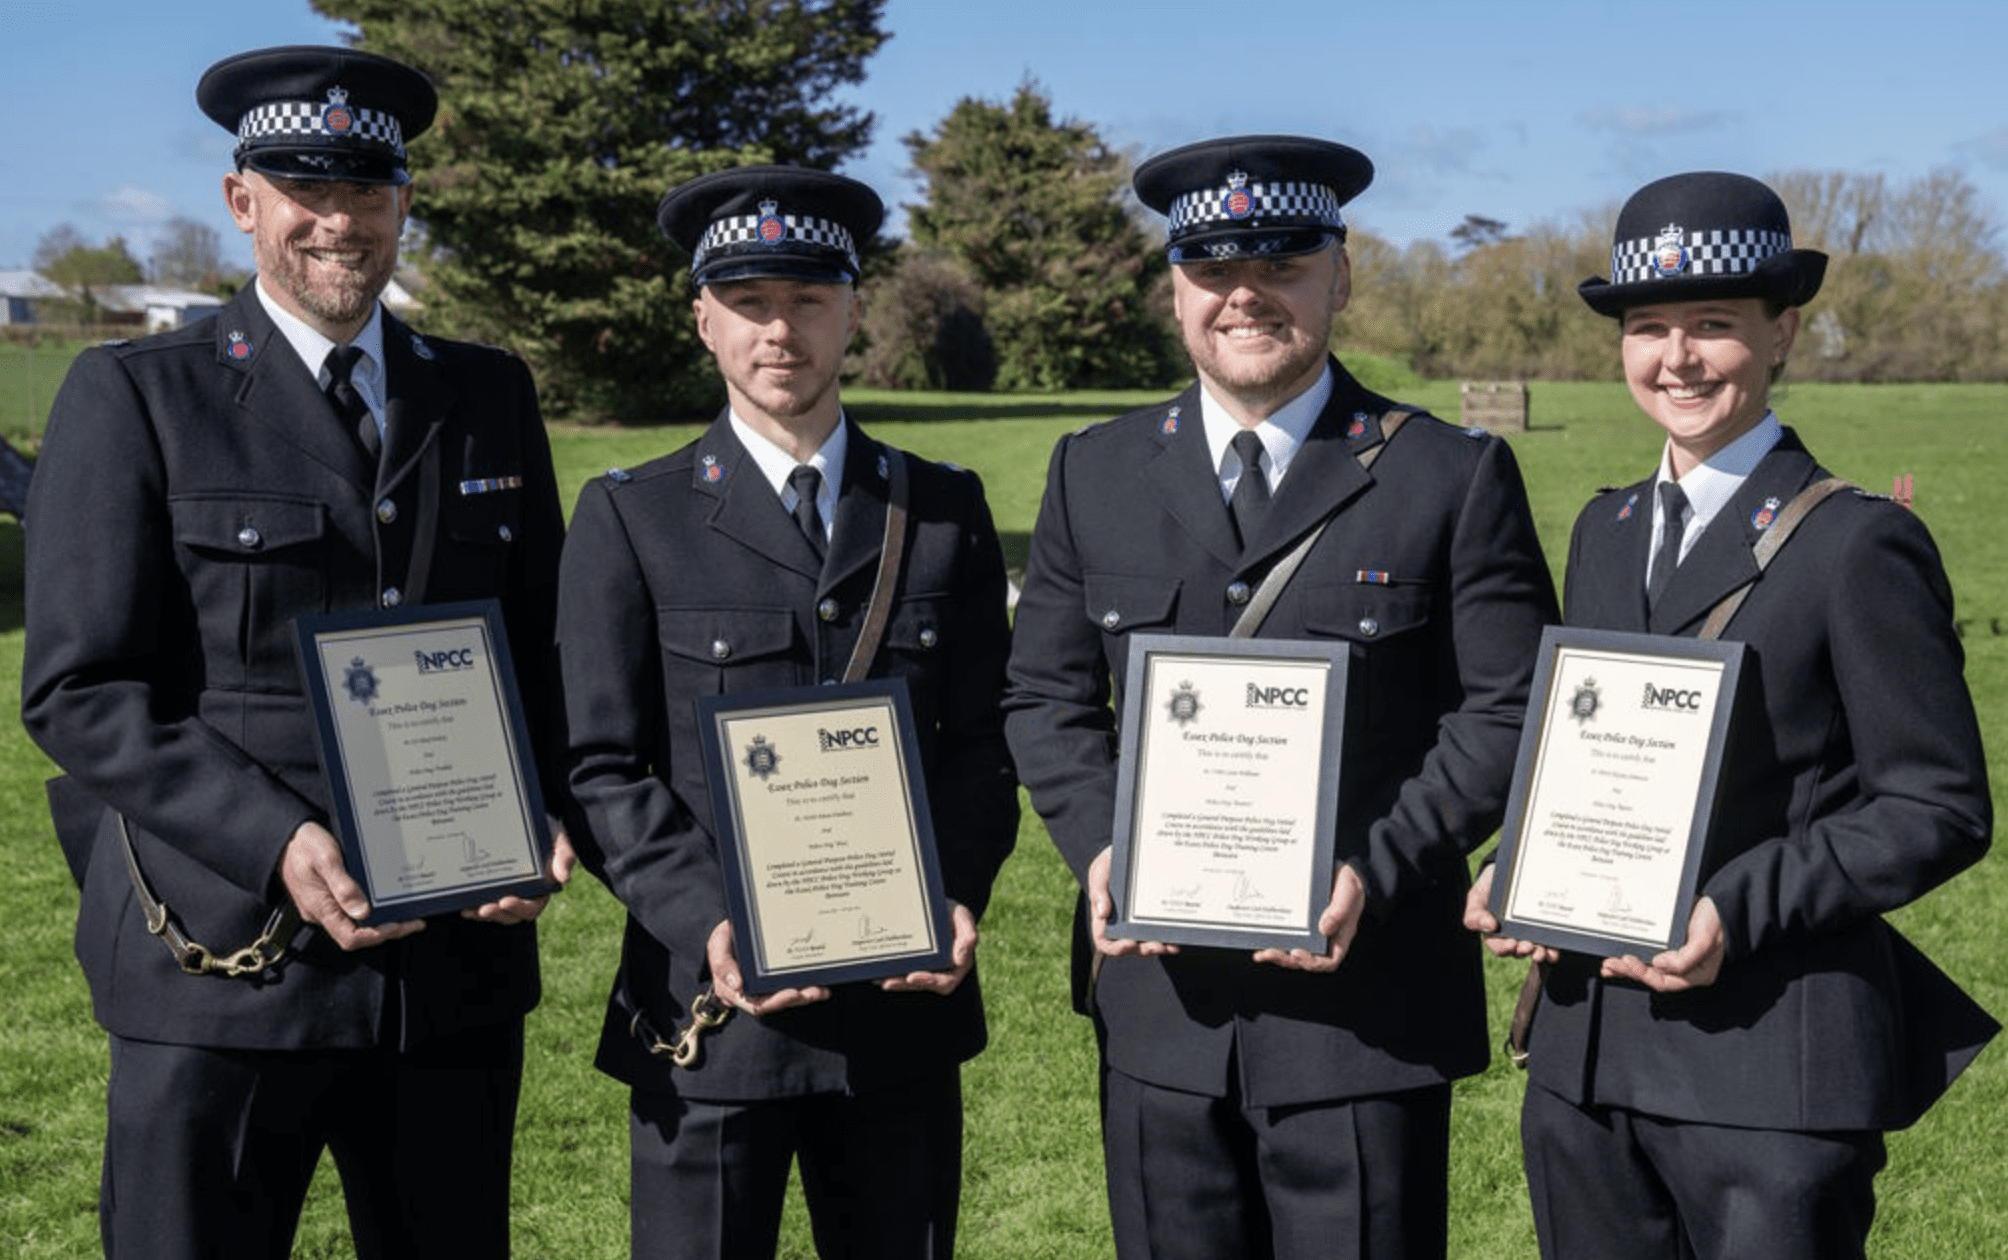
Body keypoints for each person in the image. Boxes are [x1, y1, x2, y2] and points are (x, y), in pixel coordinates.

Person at [20, 45, 572, 1260]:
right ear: (243, 203)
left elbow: (541, 649)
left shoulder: (484, 394)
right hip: (219, 959)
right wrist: (277, 839)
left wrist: (541, 809)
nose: (337, 222)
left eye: (366, 191)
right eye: (303, 190)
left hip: (447, 977)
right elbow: (80, 688)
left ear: (403, 206)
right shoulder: (139, 395)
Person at [1002, 134, 1559, 1260]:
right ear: (1175, 289)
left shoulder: (1447, 474)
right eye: (1212, 271)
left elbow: (1509, 709)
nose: (1244, 295)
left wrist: (1376, 868)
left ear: (1339, 278)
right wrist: (1104, 850)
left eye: (1282, 266)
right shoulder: (1093, 470)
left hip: (1363, 1009)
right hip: (1159, 1017)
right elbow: (1044, 697)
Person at [1465, 171, 1996, 1260]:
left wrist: (1732, 909)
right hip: (1586, 1058)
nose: (1677, 359)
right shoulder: (1604, 529)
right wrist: (1522, 865)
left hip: (1770, 1066)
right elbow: (1600, 754)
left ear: (1783, 330)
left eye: (1712, 325)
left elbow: (1936, 804)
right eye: (1649, 327)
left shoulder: (1856, 542)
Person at [556, 165, 1018, 1260]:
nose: (781, 332)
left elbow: (986, 738)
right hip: (709, 1018)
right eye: (751, 303)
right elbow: (602, 764)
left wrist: (953, 889)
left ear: (853, 309)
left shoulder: (939, 510)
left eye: (809, 300)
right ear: (703, 318)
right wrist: (710, 921)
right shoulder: (634, 517)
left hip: (899, 1014)